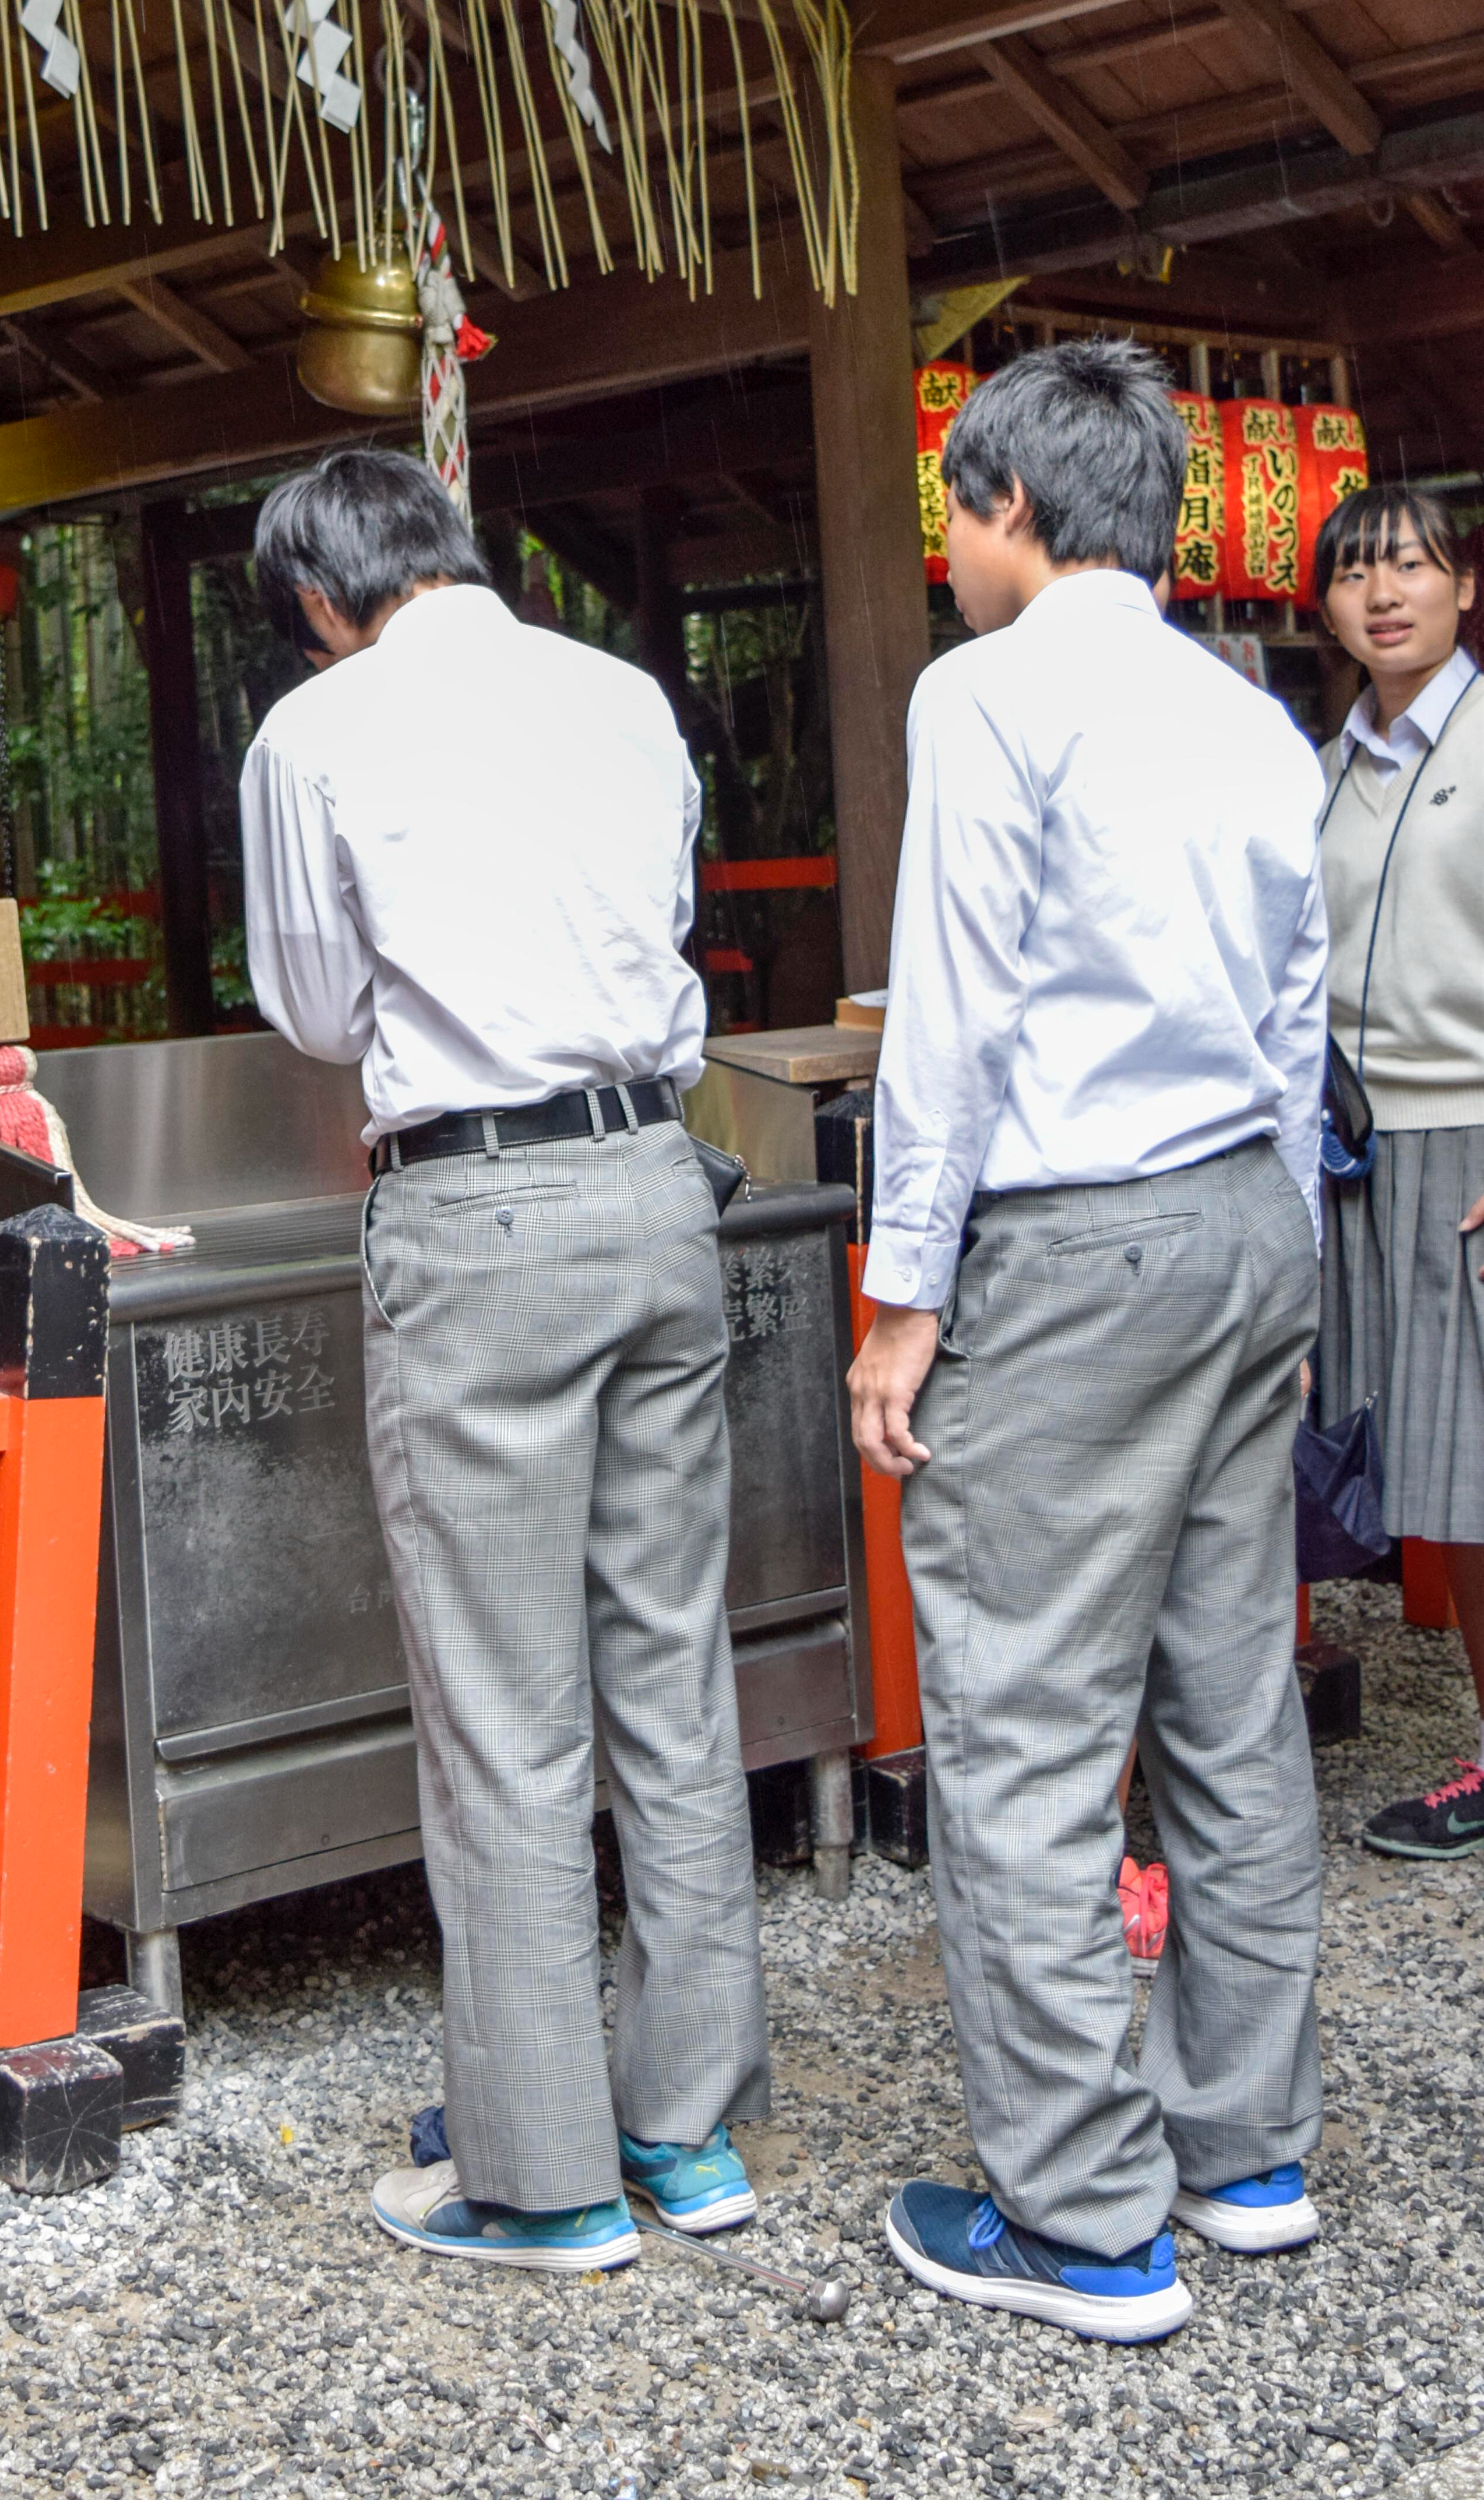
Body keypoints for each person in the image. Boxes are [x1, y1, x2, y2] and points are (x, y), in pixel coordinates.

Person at [237, 445, 766, 2276]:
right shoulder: (622, 693)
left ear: (320, 598)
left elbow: (312, 1008)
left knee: (502, 1714)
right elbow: (668, 927)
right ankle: (684, 2136)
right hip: (659, 1184)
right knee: (670, 1676)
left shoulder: (318, 734)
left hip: (480, 1217)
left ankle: (543, 2182)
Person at [851, 339, 1330, 2346]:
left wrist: (902, 1299)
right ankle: (1247, 2156)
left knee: (1030, 1727)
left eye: (956, 514)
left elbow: (948, 1007)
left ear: (1018, 512)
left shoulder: (988, 693)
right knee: (1231, 1698)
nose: (947, 553)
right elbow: (1303, 1005)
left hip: (1073, 1242)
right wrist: (1286, 1244)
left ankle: (1078, 2219)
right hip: (1245, 1217)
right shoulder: (1257, 718)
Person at [1310, 484, 1484, 1856]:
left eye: (1410, 567)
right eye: (1356, 572)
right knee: (1429, 1480)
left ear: (1461, 589)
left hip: (1473, 1142)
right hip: (1357, 1155)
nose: (1384, 593)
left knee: (1475, 1474)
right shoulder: (1323, 771)